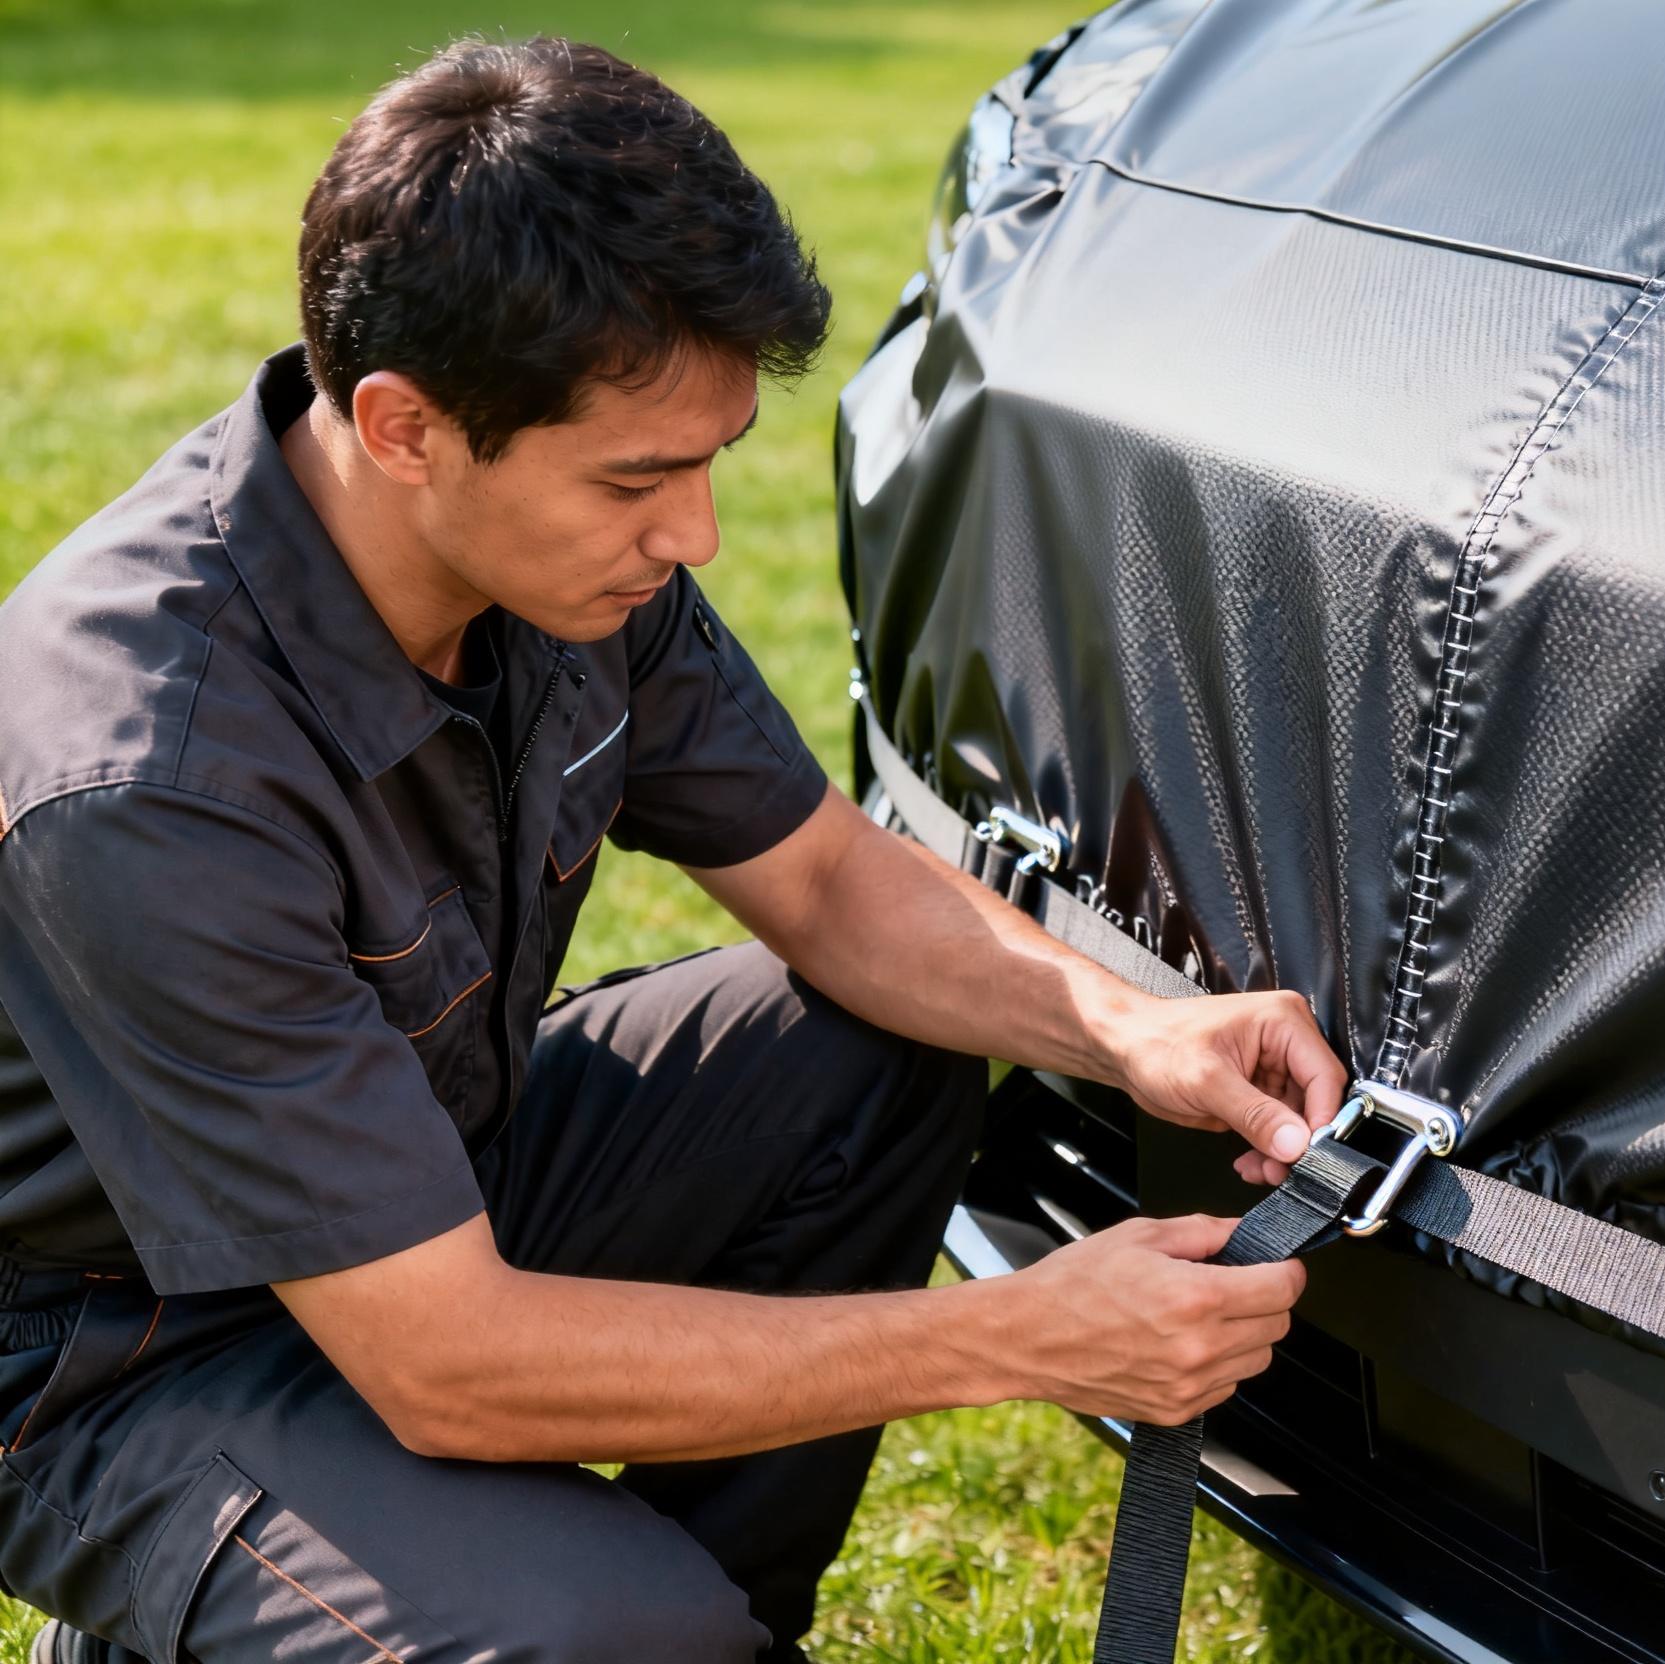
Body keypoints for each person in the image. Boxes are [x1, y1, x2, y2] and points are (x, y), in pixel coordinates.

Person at [0, 36, 1343, 1664]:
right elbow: (449, 1364)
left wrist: (1140, 1029)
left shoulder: (557, 567)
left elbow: (837, 887)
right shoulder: (150, 779)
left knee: (877, 1051)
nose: (695, 535)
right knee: (616, 1639)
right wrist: (1022, 1338)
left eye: (709, 463)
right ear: (405, 425)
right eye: (642, 479)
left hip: (429, 1191)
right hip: (126, 1358)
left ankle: (659, 1621)